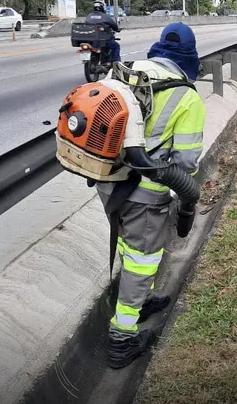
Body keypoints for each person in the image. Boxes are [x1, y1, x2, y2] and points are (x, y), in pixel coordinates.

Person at [97, 22, 206, 369]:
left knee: (131, 248)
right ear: (189, 58)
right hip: (145, 195)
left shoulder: (125, 73)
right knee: (142, 260)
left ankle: (138, 300)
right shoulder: (186, 96)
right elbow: (185, 162)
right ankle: (122, 338)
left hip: (108, 181)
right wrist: (182, 200)